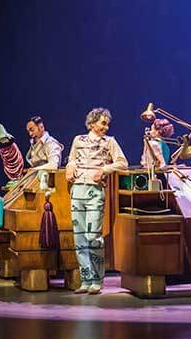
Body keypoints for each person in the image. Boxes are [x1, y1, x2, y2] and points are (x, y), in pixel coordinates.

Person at [65, 108, 128, 294]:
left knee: (93, 236)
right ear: (92, 123)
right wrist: (70, 166)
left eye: (107, 123)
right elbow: (72, 158)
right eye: (102, 123)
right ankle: (85, 280)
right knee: (80, 238)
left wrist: (104, 170)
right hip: (77, 190)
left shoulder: (109, 142)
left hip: (95, 191)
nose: (106, 127)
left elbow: (122, 162)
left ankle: (97, 280)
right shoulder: (78, 140)